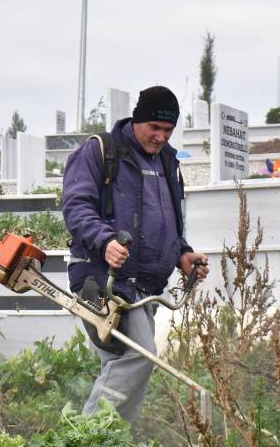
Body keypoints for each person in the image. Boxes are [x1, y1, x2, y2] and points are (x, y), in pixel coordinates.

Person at [61, 85, 208, 424]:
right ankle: (85, 442)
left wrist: (181, 254)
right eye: (154, 128)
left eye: (168, 130)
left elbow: (168, 221)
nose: (161, 137)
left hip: (145, 287)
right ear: (138, 120)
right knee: (138, 357)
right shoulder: (100, 151)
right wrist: (105, 239)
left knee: (130, 373)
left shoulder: (168, 162)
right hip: (103, 279)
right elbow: (75, 206)